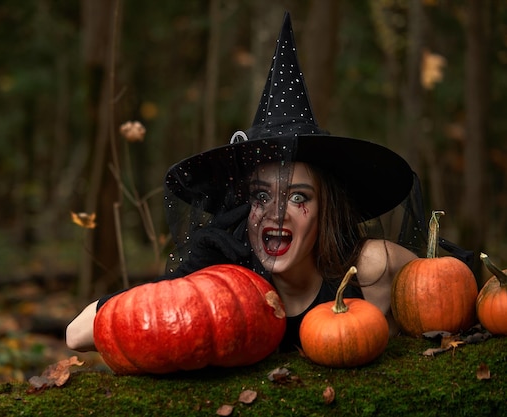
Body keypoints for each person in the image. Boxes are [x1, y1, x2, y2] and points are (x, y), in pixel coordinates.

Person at [66, 12, 423, 353]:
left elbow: (445, 289)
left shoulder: (368, 268)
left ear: (324, 210)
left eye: (299, 197)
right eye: (261, 196)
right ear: (243, 207)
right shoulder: (226, 283)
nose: (276, 212)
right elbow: (77, 334)